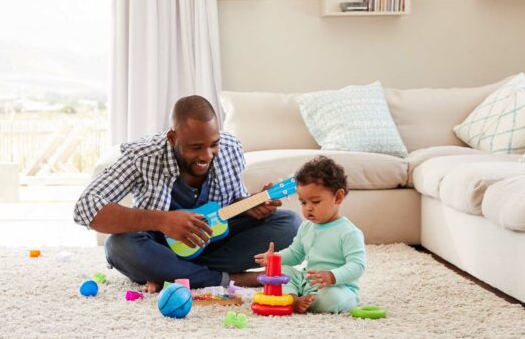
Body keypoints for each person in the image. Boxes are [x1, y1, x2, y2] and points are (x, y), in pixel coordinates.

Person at [74, 95, 300, 292]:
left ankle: (173, 274)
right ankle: (229, 279)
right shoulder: (142, 156)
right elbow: (85, 207)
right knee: (119, 246)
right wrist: (163, 221)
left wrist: (250, 206)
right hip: (159, 245)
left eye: (213, 144)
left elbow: (232, 206)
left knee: (289, 223)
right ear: (172, 138)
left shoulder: (230, 148)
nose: (207, 155)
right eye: (196, 147)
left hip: (212, 242)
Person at [254, 156, 365, 314]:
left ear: (338, 197)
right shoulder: (306, 227)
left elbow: (357, 266)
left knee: (331, 299)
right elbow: (295, 253)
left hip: (337, 286)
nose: (308, 208)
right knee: (283, 272)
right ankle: (293, 299)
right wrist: (275, 259)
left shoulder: (349, 232)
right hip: (308, 281)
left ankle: (296, 300)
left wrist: (331, 276)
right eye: (303, 202)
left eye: (315, 201)